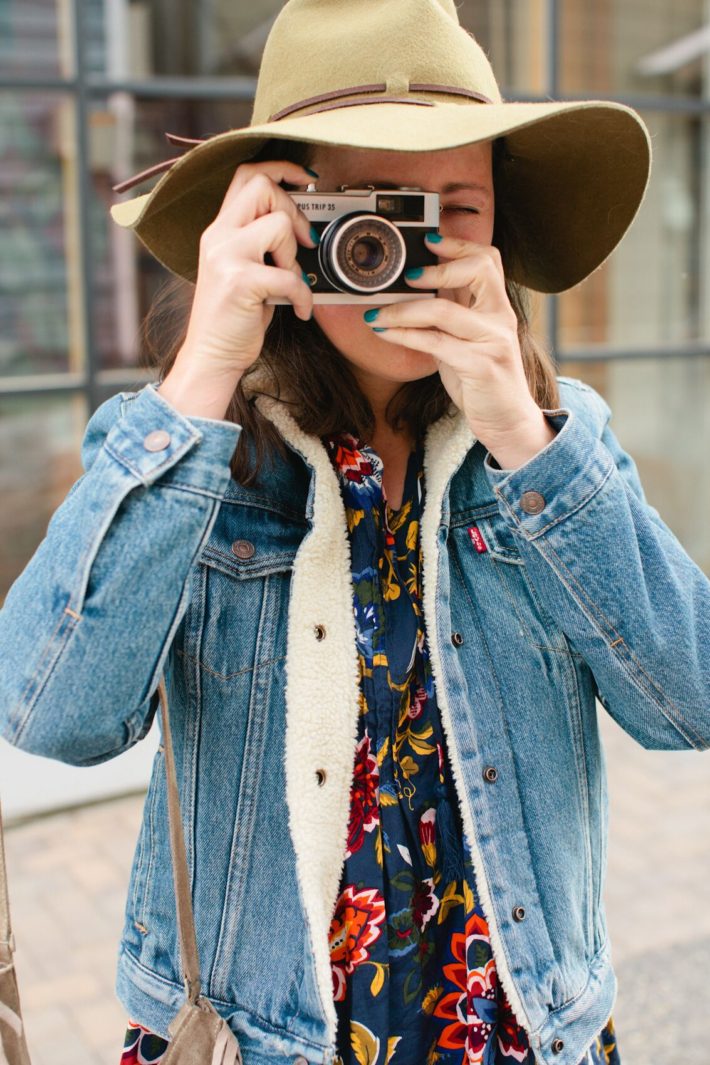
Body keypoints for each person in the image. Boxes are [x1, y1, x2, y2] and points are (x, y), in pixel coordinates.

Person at [1, 1, 709, 1064]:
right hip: (260, 1037)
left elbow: (687, 699)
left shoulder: (553, 447)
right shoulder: (189, 455)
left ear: (498, 233)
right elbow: (52, 716)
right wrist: (204, 365)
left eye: (451, 209)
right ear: (280, 223)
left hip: (510, 1023)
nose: (402, 248)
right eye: (366, 213)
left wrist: (518, 423)